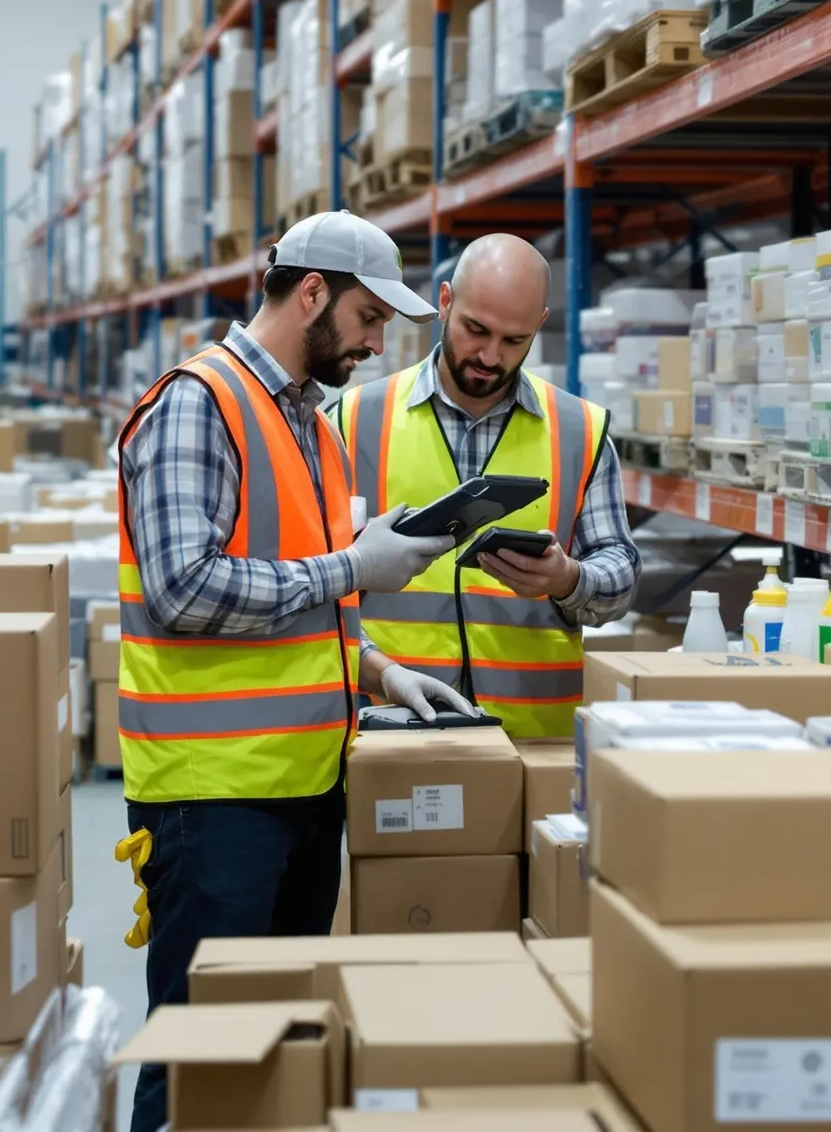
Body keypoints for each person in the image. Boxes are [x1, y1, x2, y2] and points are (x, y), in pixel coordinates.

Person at [115, 211, 471, 1132]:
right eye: (366, 316)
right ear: (310, 293)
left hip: (303, 784)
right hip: (214, 797)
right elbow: (183, 590)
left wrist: (382, 673)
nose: (376, 341)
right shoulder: (199, 402)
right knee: (202, 1051)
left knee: (275, 1047)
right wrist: (360, 566)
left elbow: (295, 597)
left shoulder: (312, 422)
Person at [337, 233, 638, 735]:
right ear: (445, 302)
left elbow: (621, 576)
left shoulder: (580, 431)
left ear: (539, 325)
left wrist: (567, 579)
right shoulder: (352, 421)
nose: (491, 356)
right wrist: (379, 669)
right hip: (390, 726)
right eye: (477, 329)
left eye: (514, 340)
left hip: (536, 741)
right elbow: (318, 586)